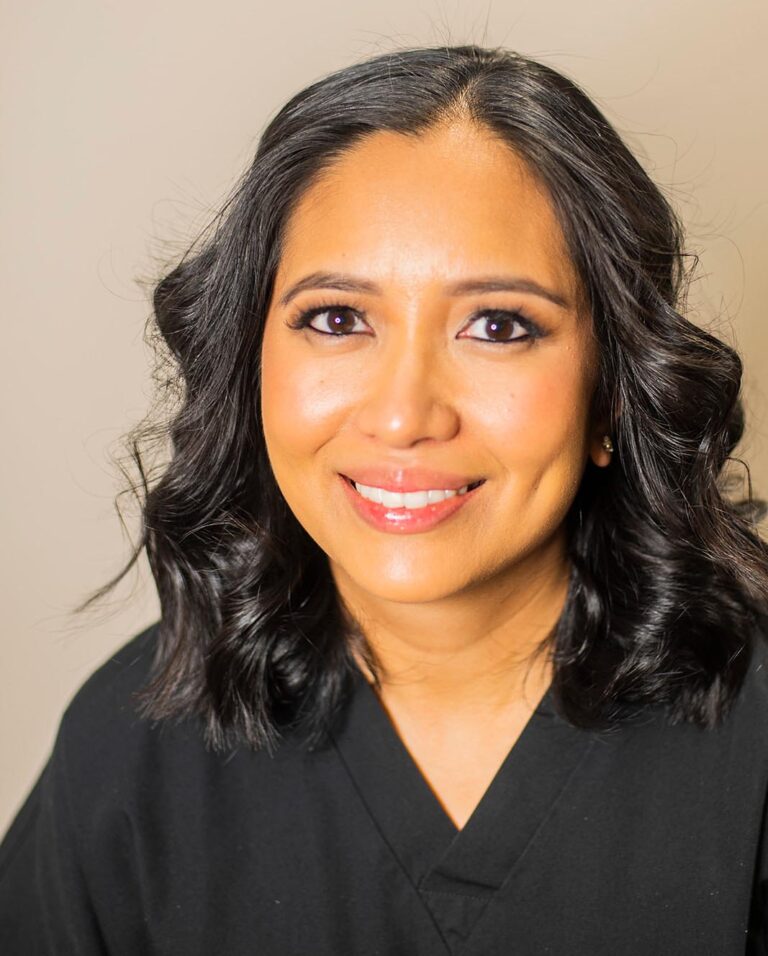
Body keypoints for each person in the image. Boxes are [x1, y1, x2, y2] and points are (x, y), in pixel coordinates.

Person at [1, 43, 767, 955]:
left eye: (498, 326)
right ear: (251, 369)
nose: (404, 417)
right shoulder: (130, 754)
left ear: (613, 394)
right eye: (336, 319)